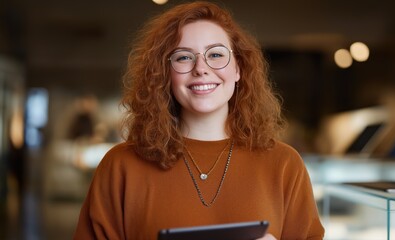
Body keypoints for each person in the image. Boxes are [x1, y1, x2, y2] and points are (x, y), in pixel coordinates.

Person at [74, 1, 325, 239]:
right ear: (165, 73)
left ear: (238, 68)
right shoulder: (120, 166)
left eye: (215, 55)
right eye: (184, 57)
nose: (201, 68)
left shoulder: (284, 165)